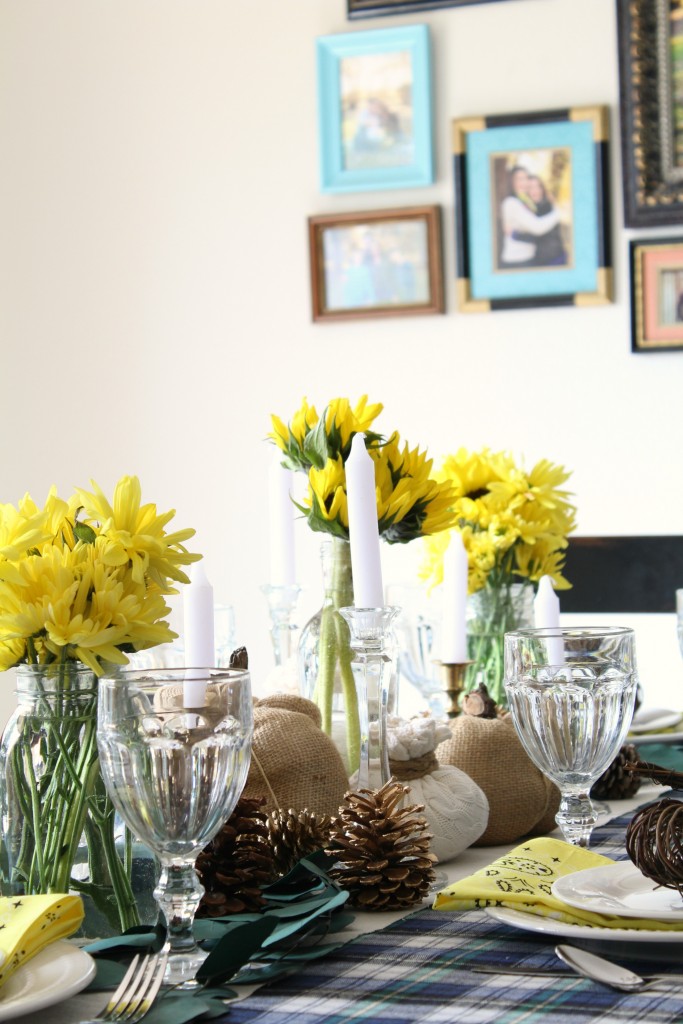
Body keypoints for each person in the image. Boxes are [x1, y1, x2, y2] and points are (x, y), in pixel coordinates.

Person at [498, 166, 562, 269]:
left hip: (535, 259)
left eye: (526, 178)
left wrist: (516, 235)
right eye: (519, 179)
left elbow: (537, 235)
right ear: (511, 182)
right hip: (517, 261)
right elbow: (538, 228)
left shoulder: (526, 203)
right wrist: (558, 213)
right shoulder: (511, 202)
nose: (524, 182)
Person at [514, 175, 568, 267]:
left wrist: (515, 234)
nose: (535, 190)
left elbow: (536, 234)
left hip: (554, 260)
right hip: (542, 260)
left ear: (542, 189)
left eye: (538, 186)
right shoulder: (532, 208)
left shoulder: (546, 206)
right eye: (531, 187)